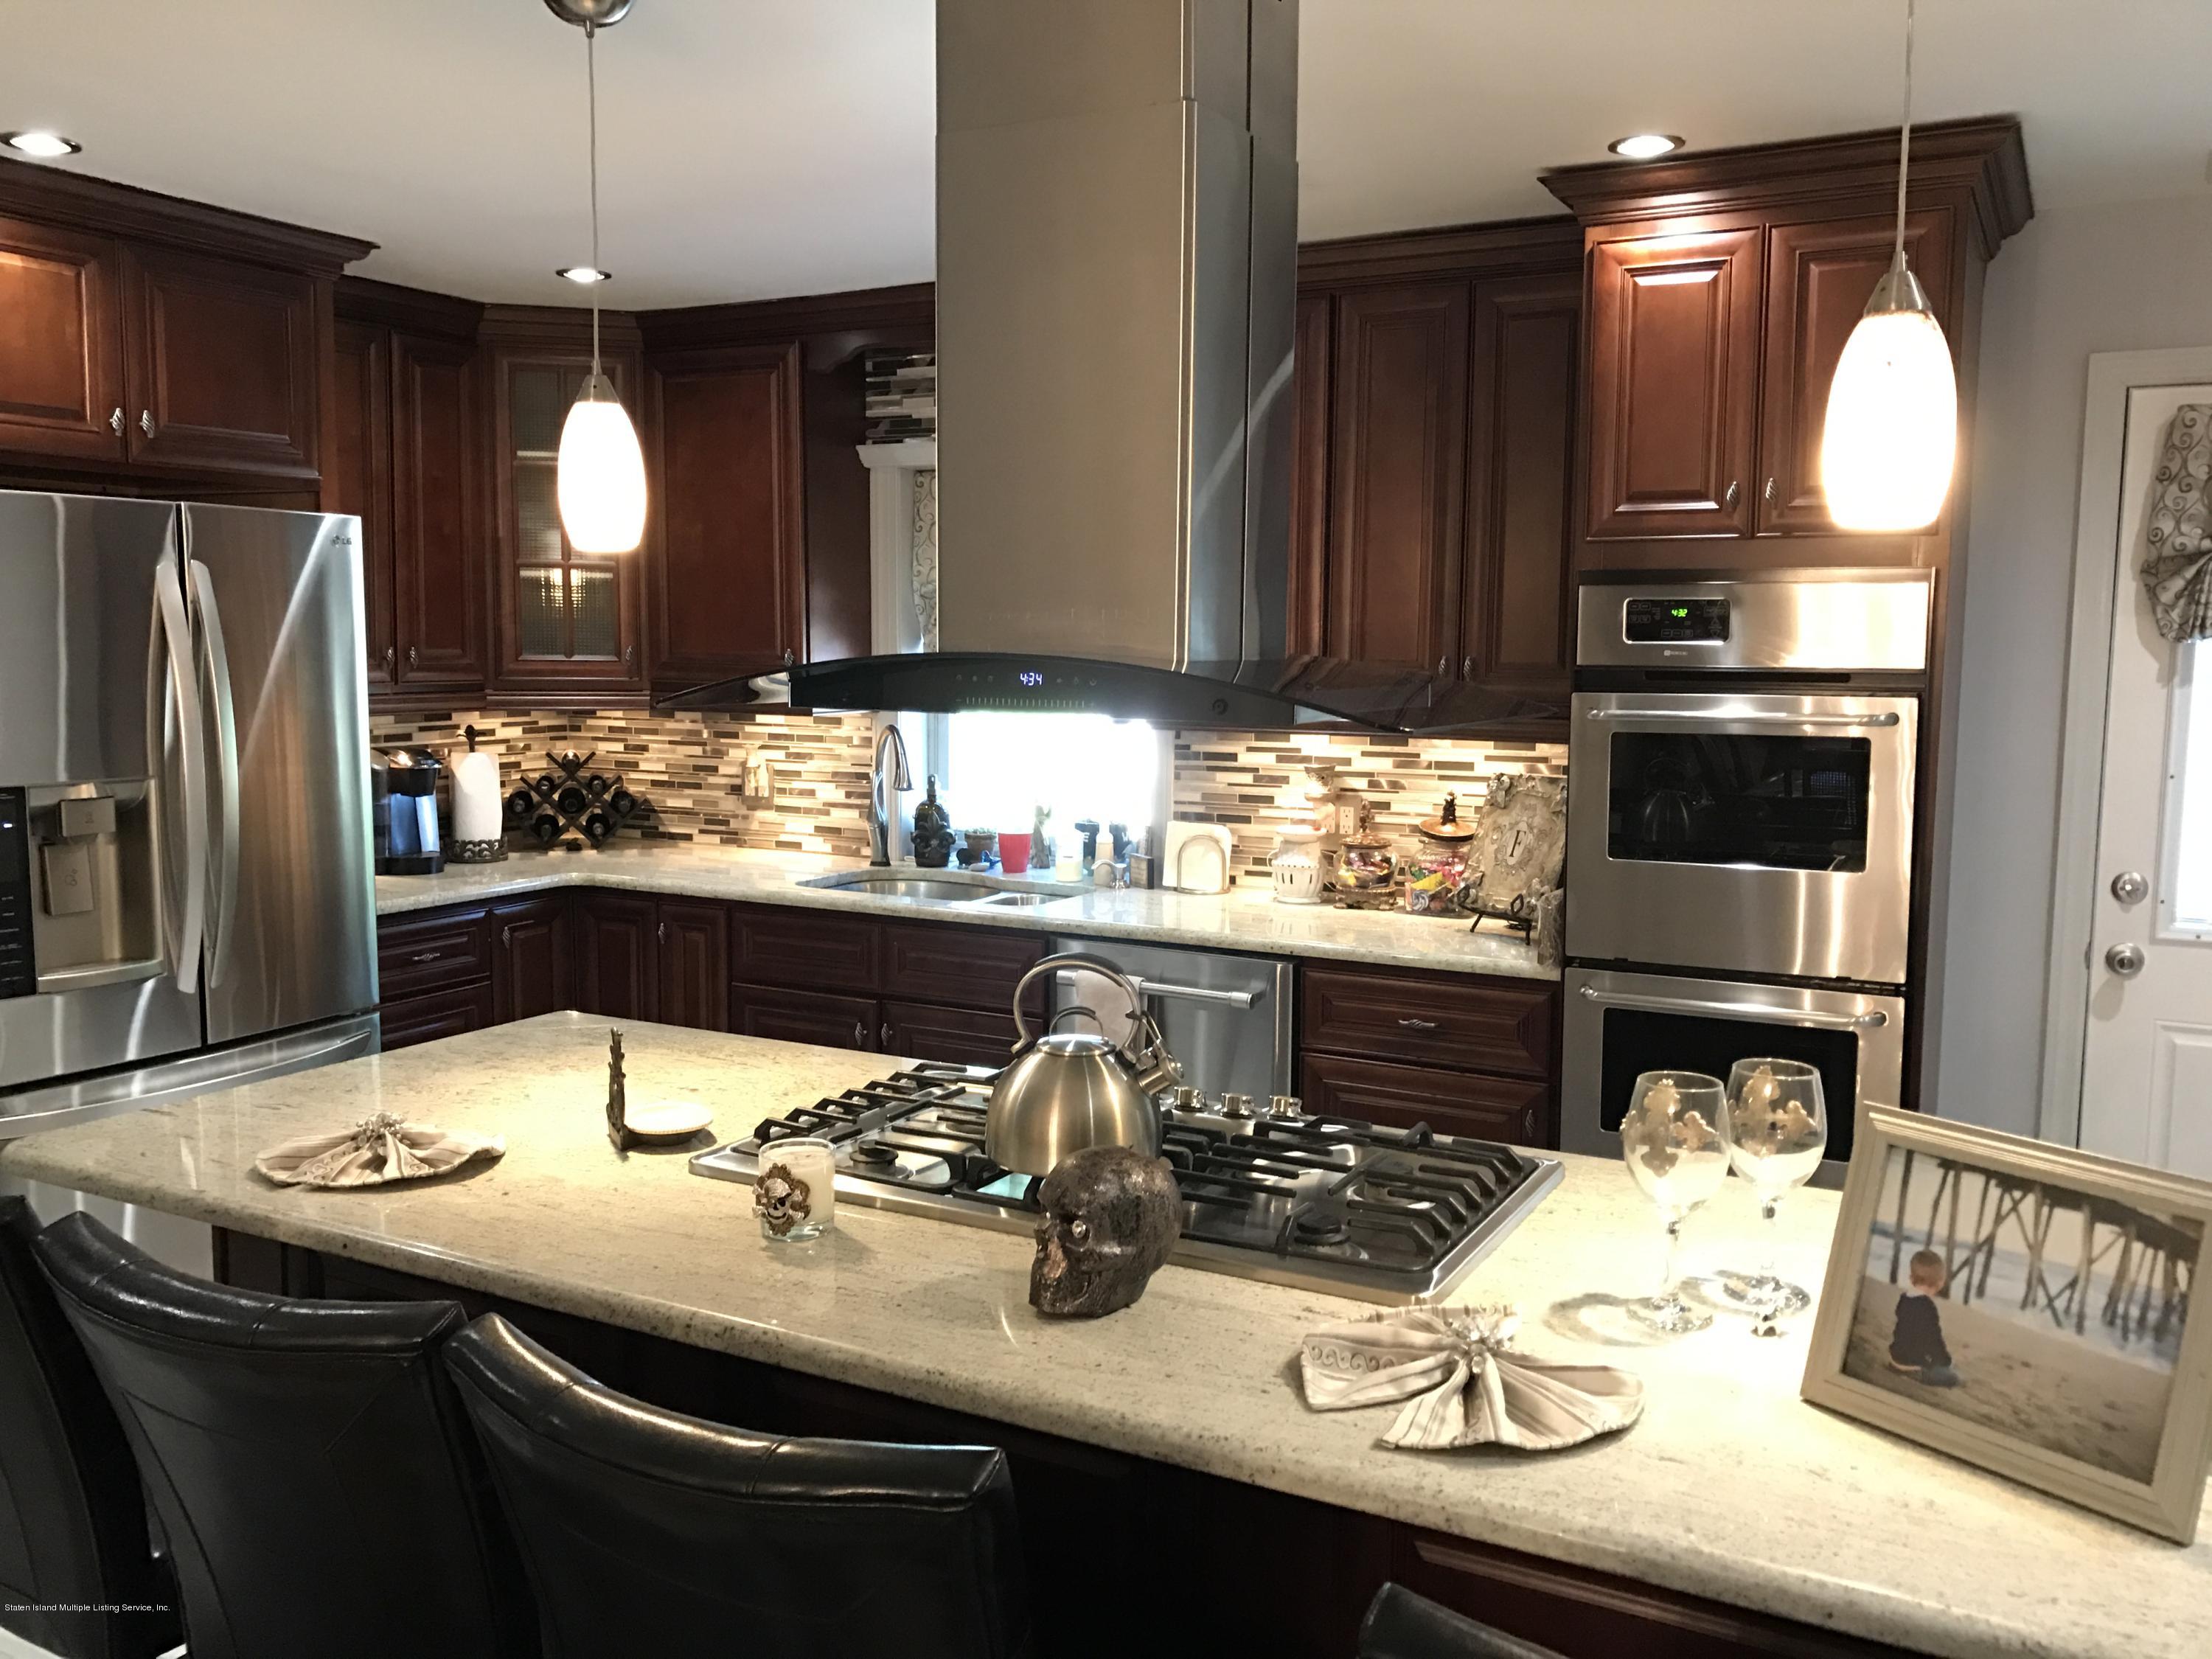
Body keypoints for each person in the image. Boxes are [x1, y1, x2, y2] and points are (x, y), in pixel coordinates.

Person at [1888, 1248, 1962, 1387]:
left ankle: (1899, 1367)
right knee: (1954, 1378)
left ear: (1911, 1278)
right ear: (1940, 1284)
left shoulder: (1904, 1299)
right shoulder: (1927, 1307)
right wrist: (1945, 1361)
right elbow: (1933, 1340)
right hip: (1912, 1366)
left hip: (1895, 1358)